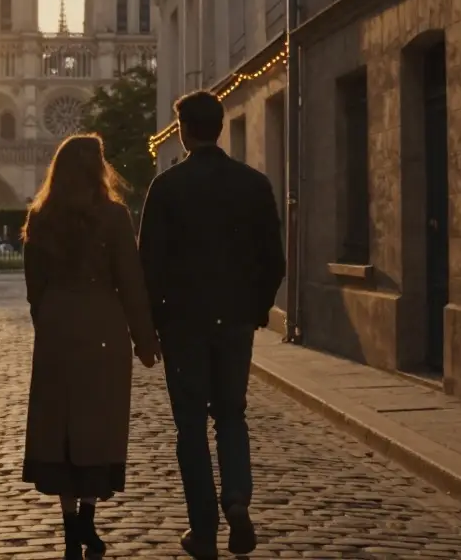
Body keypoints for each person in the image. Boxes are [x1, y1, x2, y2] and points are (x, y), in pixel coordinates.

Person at [138, 90, 286, 559]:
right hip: (235, 321)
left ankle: (203, 531)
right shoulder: (254, 184)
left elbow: (149, 266)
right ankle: (237, 501)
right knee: (231, 415)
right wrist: (257, 309)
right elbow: (274, 261)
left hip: (183, 324)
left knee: (190, 428)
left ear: (183, 131)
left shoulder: (166, 187)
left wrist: (155, 323)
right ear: (221, 127)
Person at [20, 133, 161, 560]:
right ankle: (88, 521)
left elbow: (34, 289)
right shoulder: (115, 217)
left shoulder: (41, 216)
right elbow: (131, 283)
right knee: (96, 426)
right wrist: (145, 340)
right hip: (103, 327)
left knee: (59, 427)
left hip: (58, 328)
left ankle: (69, 533)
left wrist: (49, 322)